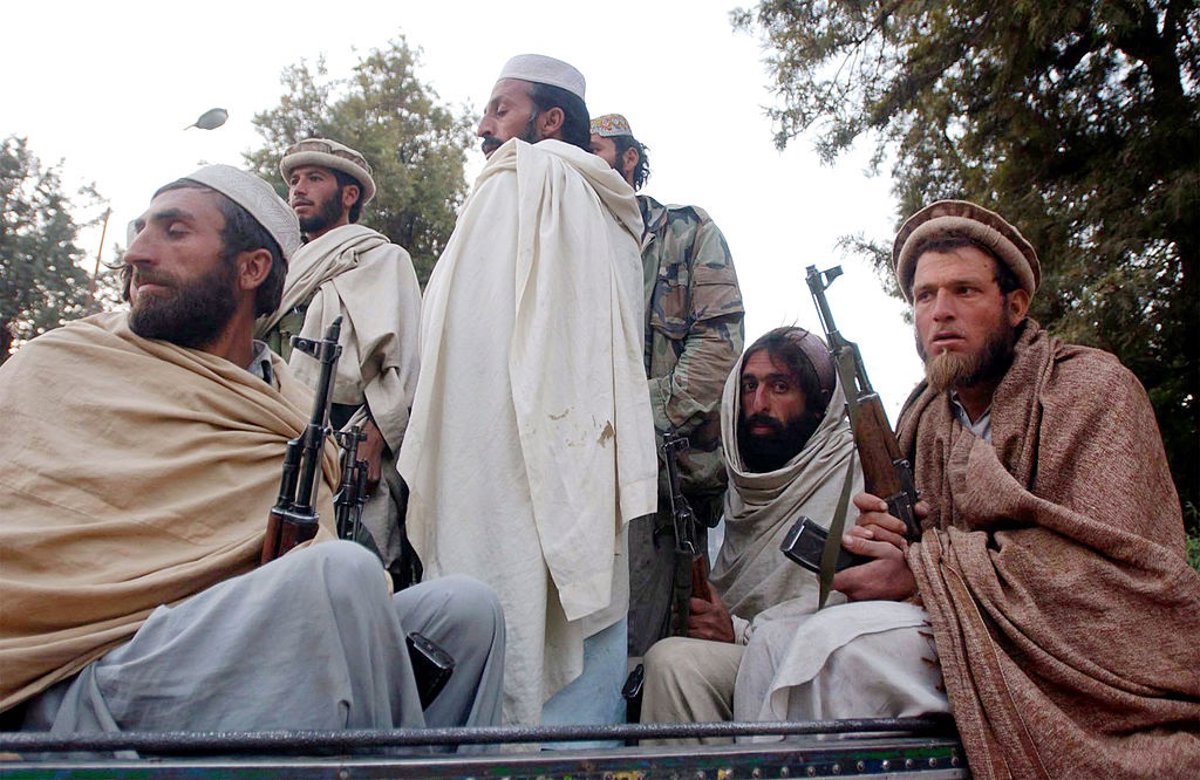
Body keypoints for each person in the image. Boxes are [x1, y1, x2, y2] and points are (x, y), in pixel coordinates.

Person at [0, 165, 504, 738]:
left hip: (241, 652)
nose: (137, 253)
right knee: (341, 574)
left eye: (173, 232)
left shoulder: (287, 401)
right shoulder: (62, 362)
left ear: (251, 268)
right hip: (79, 668)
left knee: (467, 612)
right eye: (140, 231)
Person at [734, 201, 1200, 776]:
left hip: (1072, 663)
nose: (941, 313)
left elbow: (1119, 575)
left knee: (838, 649)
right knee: (773, 641)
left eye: (965, 291)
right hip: (958, 626)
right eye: (924, 296)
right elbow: (917, 550)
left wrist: (922, 569)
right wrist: (891, 542)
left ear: (1015, 305)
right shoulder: (924, 417)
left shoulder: (1090, 390)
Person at [397, 56, 657, 729]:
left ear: (548, 119)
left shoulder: (521, 182)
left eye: (500, 109)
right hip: (533, 459)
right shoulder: (605, 209)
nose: (484, 127)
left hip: (517, 463)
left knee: (527, 619)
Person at [638, 327, 861, 742]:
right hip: (751, 656)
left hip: (826, 664)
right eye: (749, 386)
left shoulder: (853, 474)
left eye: (780, 387)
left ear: (818, 404)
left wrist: (741, 633)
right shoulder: (741, 485)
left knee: (673, 665)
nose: (758, 405)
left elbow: (854, 603)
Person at [590, 114, 745, 656]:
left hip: (658, 486)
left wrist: (628, 427)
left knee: (638, 657)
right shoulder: (561, 238)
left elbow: (717, 351)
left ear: (629, 158)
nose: (582, 159)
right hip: (569, 487)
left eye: (595, 148)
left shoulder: (688, 233)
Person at [257, 138, 422, 586]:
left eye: (314, 178)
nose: (298, 189)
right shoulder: (283, 265)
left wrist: (374, 437)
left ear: (349, 195)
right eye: (294, 180)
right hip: (272, 437)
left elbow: (408, 360)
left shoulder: (384, 259)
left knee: (352, 577)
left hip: (346, 443)